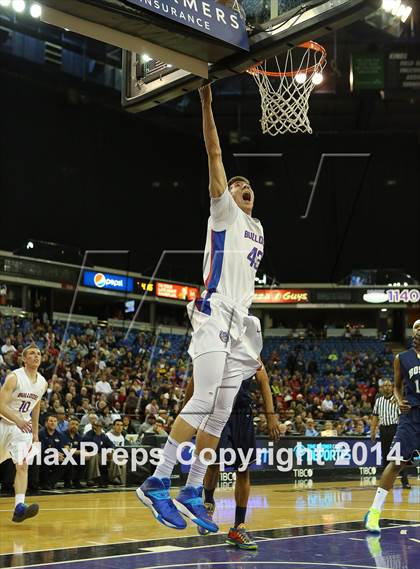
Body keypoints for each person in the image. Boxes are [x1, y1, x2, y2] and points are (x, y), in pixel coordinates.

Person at [136, 83, 264, 533]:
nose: (241, 187)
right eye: (235, 184)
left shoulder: (259, 228)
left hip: (241, 325)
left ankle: (192, 488)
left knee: (222, 411)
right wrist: (208, 103)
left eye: (247, 186)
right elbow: (213, 154)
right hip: (213, 311)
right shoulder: (224, 211)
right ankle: (157, 481)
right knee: (204, 398)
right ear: (224, 194)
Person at [183, 363, 280, 548]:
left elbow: (264, 381)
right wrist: (188, 415)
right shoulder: (220, 339)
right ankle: (208, 503)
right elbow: (196, 379)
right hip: (217, 410)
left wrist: (270, 416)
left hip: (242, 415)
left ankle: (238, 527)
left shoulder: (252, 347)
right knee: (213, 463)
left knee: (243, 470)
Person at [365, 322, 420, 533]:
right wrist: (398, 400)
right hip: (410, 415)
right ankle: (374, 512)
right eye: (416, 327)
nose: (419, 329)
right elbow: (397, 386)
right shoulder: (402, 358)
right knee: (395, 462)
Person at [0, 344, 47, 522]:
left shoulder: (42, 382)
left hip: (22, 430)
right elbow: (1, 404)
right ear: (24, 359)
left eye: (39, 354)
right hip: (4, 424)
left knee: (22, 465)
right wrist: (17, 420)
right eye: (32, 353)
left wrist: (35, 433)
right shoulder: (14, 378)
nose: (37, 356)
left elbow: (36, 408)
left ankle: (19, 507)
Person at [370, 379, 410, 489]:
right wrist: (373, 430)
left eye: (389, 385)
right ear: (381, 388)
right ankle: (385, 484)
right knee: (385, 456)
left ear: (392, 387)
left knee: (399, 457)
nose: (387, 387)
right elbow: (375, 416)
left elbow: (402, 416)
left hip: (395, 429)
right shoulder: (378, 401)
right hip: (383, 430)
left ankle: (405, 481)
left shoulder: (397, 399)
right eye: (385, 386)